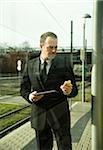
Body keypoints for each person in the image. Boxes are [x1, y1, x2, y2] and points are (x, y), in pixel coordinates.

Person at [20, 32, 78, 150]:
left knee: (65, 147)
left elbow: (74, 90)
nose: (54, 50)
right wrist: (30, 96)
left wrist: (68, 91)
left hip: (60, 114)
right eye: (50, 47)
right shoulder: (30, 64)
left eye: (56, 47)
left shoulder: (64, 63)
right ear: (41, 46)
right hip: (39, 114)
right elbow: (23, 88)